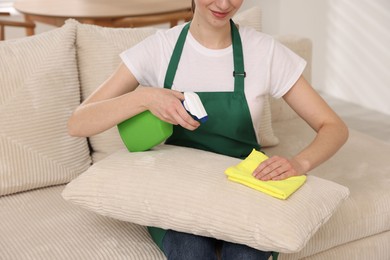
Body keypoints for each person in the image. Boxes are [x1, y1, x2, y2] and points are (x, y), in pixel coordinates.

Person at [68, 0, 349, 259]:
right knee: (190, 251)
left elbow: (333, 126)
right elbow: (79, 122)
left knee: (247, 255)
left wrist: (299, 162)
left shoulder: (265, 51)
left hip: (244, 188)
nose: (224, 4)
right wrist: (145, 97)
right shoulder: (159, 49)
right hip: (178, 189)